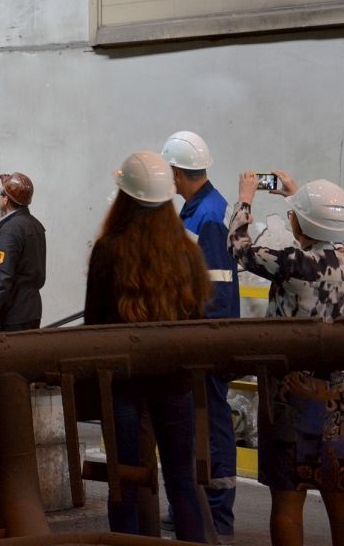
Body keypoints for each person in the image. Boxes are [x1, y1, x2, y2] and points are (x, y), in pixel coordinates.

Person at [228, 170, 344, 546]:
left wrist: (245, 200)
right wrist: (295, 196)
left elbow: (238, 247)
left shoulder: (292, 262)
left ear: (298, 223)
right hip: (341, 395)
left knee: (289, 496)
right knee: (342, 494)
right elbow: (321, 232)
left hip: (291, 395)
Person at [84, 151, 211, 543]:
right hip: (174, 383)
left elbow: (94, 324)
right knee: (181, 479)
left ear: (124, 196)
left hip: (122, 383)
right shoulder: (188, 253)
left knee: (125, 479)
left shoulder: (109, 251)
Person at [162, 130, 239, 542]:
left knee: (211, 425)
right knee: (193, 426)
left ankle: (217, 514)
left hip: (205, 340)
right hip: (192, 336)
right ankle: (188, 506)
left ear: (177, 172)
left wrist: (205, 342)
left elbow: (217, 288)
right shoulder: (196, 209)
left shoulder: (208, 214)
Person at [0, 172, 46, 331]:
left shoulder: (10, 231)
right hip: (32, 310)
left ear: (5, 200)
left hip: (14, 313)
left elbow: (1, 278)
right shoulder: (35, 226)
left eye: (0, 195)